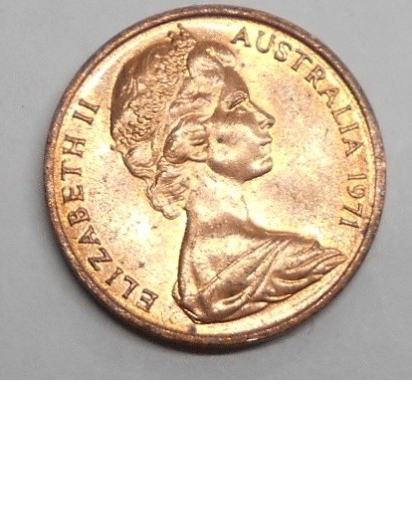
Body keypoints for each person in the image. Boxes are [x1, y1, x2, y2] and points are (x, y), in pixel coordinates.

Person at [110, 25, 345, 324]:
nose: (266, 118)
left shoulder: (192, 284)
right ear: (194, 140)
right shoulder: (295, 262)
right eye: (237, 106)